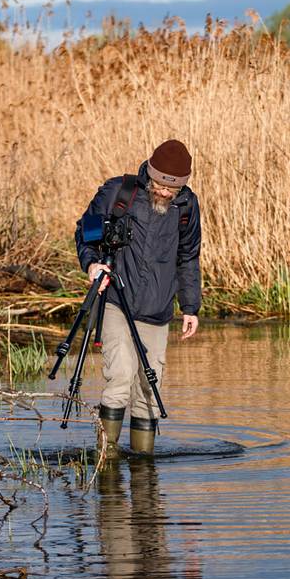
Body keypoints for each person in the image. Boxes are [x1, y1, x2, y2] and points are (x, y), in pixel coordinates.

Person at [75, 139, 202, 455]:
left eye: (170, 189)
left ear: (182, 186)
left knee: (148, 391)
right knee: (119, 377)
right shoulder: (119, 193)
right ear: (151, 172)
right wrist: (92, 264)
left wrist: (190, 307)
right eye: (159, 184)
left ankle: (144, 471)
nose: (162, 192)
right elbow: (85, 231)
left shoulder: (187, 206)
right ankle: (108, 462)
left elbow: (188, 256)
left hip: (158, 310)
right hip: (117, 300)